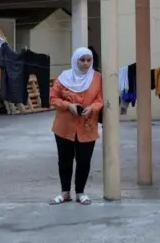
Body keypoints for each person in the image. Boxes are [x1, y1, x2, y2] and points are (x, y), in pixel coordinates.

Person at [48, 47, 103, 206]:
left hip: (87, 125)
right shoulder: (64, 77)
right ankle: (65, 193)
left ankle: (80, 192)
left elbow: (100, 99)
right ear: (75, 60)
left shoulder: (97, 78)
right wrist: (68, 105)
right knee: (64, 160)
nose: (86, 63)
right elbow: (53, 97)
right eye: (82, 60)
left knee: (84, 160)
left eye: (89, 60)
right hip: (64, 127)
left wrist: (92, 108)